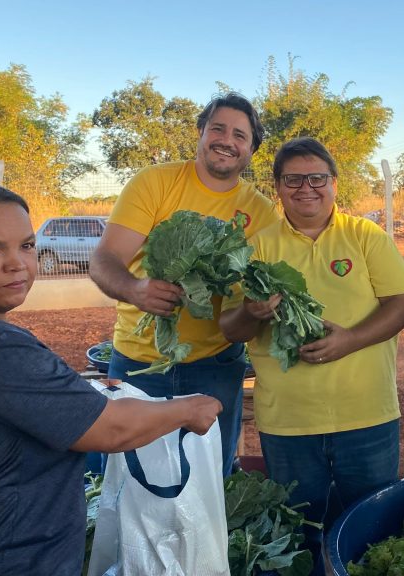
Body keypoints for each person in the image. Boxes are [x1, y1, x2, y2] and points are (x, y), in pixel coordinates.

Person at [0, 181, 222, 575]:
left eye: (27, 246)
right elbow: (111, 430)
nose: (17, 263)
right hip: (4, 561)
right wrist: (189, 409)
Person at [220, 137, 404, 573]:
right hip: (288, 421)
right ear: (278, 187)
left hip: (367, 414)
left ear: (334, 183)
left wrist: (349, 340)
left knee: (373, 531)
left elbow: (403, 306)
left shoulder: (365, 235)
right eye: (293, 179)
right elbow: (230, 328)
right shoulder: (258, 247)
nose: (306, 188)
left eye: (317, 178)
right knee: (297, 534)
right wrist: (252, 312)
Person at [89, 92, 278, 476]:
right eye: (218, 128)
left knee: (208, 480)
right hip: (141, 361)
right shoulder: (155, 182)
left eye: (240, 135)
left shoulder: (260, 211)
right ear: (201, 132)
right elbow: (104, 261)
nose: (227, 140)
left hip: (216, 367)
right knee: (133, 480)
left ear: (252, 149)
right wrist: (134, 290)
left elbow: (251, 292)